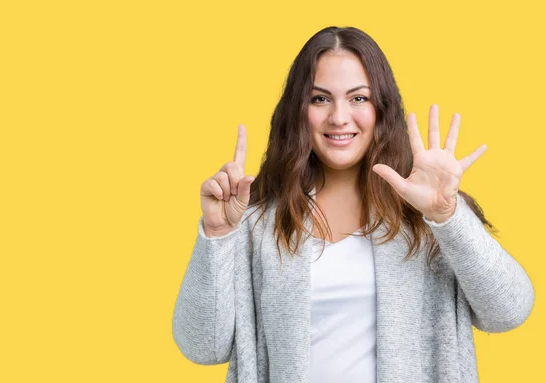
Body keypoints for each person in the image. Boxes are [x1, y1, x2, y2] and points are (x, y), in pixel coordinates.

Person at [171, 26, 534, 383]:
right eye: (320, 98)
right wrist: (217, 234)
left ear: (381, 108)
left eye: (358, 98)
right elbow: (202, 347)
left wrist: (448, 217)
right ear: (298, 110)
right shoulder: (258, 222)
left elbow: (509, 311)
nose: (339, 117)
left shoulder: (428, 214)